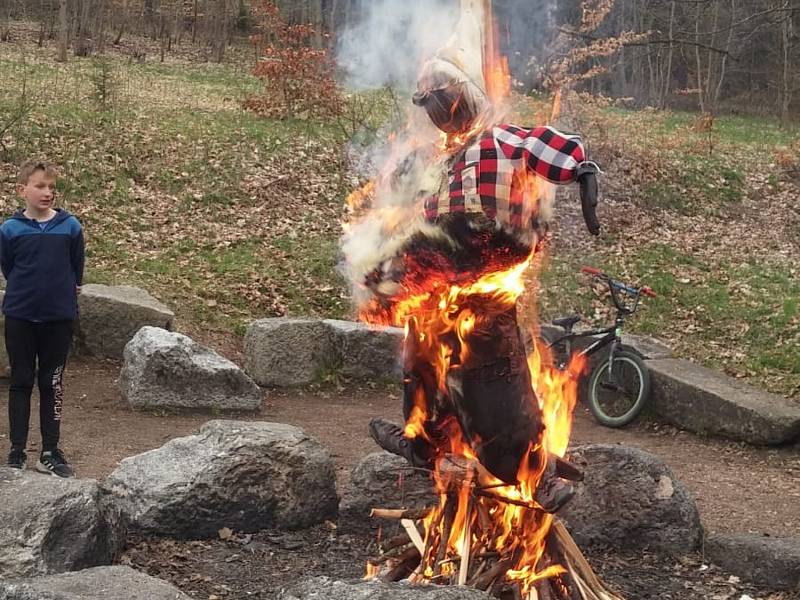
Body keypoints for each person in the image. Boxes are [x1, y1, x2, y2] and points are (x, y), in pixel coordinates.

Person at [365, 52, 599, 513]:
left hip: (488, 282)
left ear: (466, 97)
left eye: (446, 100)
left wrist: (583, 173)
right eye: (433, 104)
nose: (442, 114)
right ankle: (421, 440)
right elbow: (410, 222)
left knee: (496, 388)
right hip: (440, 290)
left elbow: (557, 147)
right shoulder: (436, 164)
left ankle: (537, 475)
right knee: (420, 367)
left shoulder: (505, 141)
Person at [1, 160, 84, 477]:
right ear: (23, 190)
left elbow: (76, 269)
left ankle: (50, 451)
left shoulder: (70, 227)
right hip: (20, 316)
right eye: (40, 186)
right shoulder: (9, 230)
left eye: (52, 187)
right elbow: (9, 268)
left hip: (58, 318)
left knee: (52, 383)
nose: (47, 192)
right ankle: (17, 452)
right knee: (21, 381)